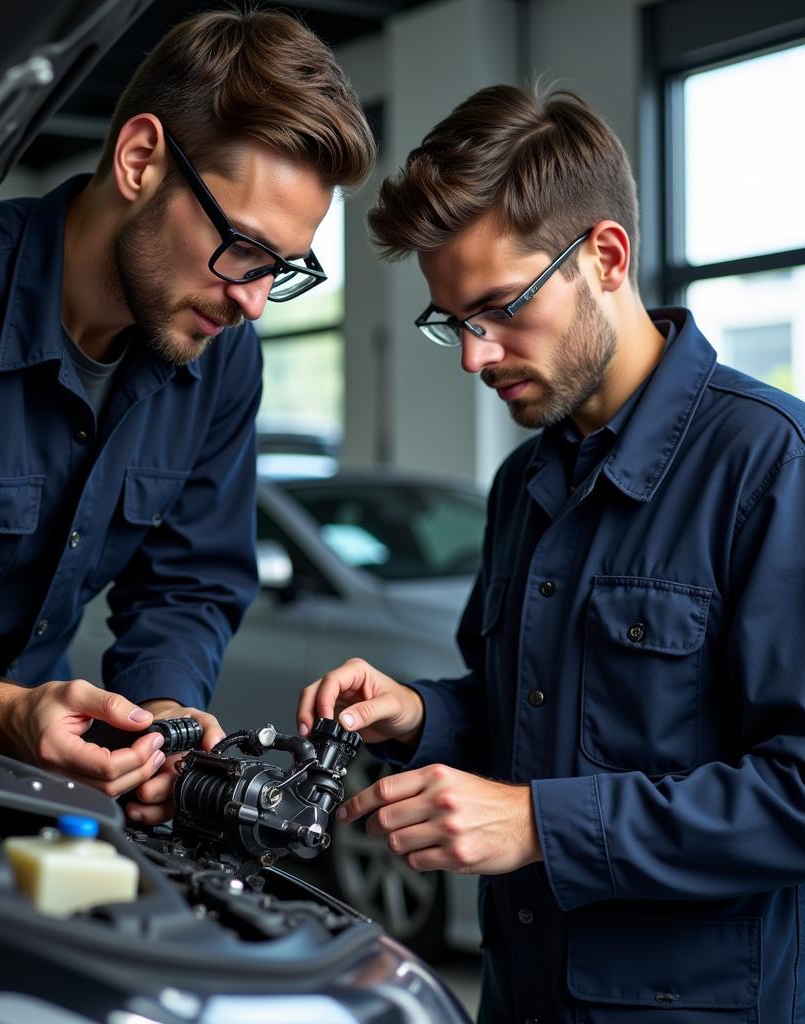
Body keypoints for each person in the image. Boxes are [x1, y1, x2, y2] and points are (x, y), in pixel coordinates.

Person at [0, 9, 375, 822]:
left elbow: (189, 583)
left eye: (283, 270)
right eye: (243, 248)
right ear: (140, 160)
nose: (254, 301)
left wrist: (162, 714)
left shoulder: (220, 355)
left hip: (40, 780)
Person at [298, 83, 805, 1021]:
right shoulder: (524, 486)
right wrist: (420, 716)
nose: (473, 357)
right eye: (452, 321)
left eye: (497, 308)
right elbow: (525, 720)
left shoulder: (772, 466)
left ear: (605, 257)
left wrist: (537, 823)